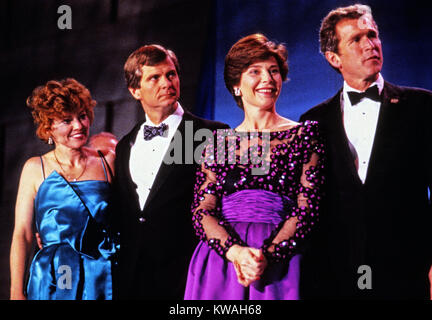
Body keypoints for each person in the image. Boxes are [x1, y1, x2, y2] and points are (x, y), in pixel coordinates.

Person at [300, 4, 432, 299]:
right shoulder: (312, 121)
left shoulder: (423, 106)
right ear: (334, 58)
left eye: (372, 35)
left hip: (407, 269)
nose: (369, 45)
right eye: (356, 40)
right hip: (335, 273)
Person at [184, 33, 325, 300]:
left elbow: (308, 208)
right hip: (221, 263)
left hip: (282, 265)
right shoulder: (218, 142)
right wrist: (235, 252)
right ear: (236, 84)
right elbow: (202, 210)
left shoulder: (305, 135)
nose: (267, 79)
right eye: (255, 71)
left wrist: (266, 257)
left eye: (274, 71)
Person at [112, 44, 229, 299]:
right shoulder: (123, 146)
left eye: (171, 74)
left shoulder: (210, 133)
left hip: (188, 273)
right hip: (132, 277)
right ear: (135, 91)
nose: (166, 82)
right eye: (154, 77)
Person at [10, 78, 117, 300]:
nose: (79, 126)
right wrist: (15, 291)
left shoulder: (107, 162)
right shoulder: (34, 168)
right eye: (67, 120)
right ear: (48, 126)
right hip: (53, 277)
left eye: (83, 116)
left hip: (102, 274)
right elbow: (22, 234)